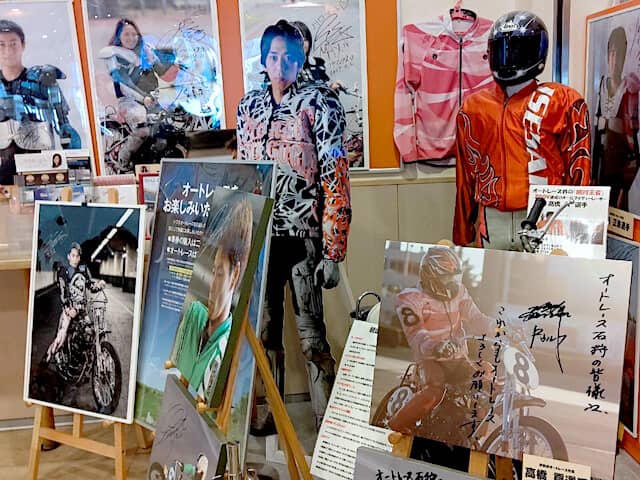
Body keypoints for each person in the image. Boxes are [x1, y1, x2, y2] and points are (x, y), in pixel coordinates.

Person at [236, 19, 351, 433]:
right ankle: (270, 413)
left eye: (288, 56)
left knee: (311, 335)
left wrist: (334, 249)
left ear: (300, 59)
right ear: (263, 59)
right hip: (262, 235)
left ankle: (329, 424)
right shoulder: (249, 107)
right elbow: (244, 172)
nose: (280, 64)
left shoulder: (320, 103)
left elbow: (335, 175)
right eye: (273, 56)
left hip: (304, 236)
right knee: (265, 330)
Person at [453, 11, 591, 250]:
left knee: (543, 276)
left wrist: (577, 234)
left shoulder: (563, 101)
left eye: (516, 49)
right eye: (502, 49)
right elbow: (465, 175)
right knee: (492, 275)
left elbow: (579, 171)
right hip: (491, 218)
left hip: (546, 216)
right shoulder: (473, 108)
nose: (508, 57)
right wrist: (462, 234)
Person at [386, 246, 493, 436]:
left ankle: (469, 438)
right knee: (435, 390)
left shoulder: (460, 293)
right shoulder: (409, 298)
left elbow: (477, 318)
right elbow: (416, 334)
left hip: (458, 358)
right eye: (446, 279)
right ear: (430, 276)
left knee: (484, 387)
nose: (452, 284)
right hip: (430, 359)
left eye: (454, 278)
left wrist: (499, 327)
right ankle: (394, 427)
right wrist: (436, 347)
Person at [170, 197, 253, 402]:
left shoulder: (226, 345)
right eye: (213, 272)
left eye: (220, 274)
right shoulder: (194, 314)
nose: (212, 286)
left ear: (234, 276)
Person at [0, 19, 80, 185]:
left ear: (23, 45)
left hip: (39, 166)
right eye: (1, 45)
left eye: (13, 44)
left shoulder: (43, 80)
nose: (7, 50)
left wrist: (76, 167)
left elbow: (64, 127)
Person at [99, 18, 174, 171]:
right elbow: (123, 81)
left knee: (166, 131)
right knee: (142, 130)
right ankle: (123, 160)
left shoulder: (145, 51)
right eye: (126, 34)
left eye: (134, 34)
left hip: (151, 100)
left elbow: (162, 70)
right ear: (119, 36)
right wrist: (142, 98)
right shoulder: (113, 54)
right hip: (129, 101)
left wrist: (178, 61)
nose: (131, 38)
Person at [593, 26, 640, 212]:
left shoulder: (630, 91)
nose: (614, 60)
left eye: (618, 54)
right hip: (600, 171)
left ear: (624, 56)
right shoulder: (601, 87)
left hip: (620, 174)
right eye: (611, 53)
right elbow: (595, 136)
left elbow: (633, 143)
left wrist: (625, 187)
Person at [45, 242, 105, 362]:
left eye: (77, 256)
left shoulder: (83, 270)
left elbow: (90, 285)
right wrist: (68, 309)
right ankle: (49, 355)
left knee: (90, 332)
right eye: (73, 256)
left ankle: (82, 360)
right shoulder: (63, 271)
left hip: (81, 309)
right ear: (68, 256)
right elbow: (63, 292)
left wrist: (98, 285)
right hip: (69, 310)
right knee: (61, 336)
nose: (75, 259)